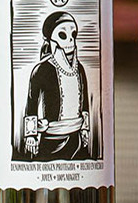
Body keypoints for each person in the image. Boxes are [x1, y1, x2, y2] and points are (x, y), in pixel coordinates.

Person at [21, 11, 91, 161]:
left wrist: (85, 128)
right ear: (51, 40)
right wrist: (31, 134)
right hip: (52, 139)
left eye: (73, 34)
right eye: (63, 35)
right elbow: (32, 102)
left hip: (76, 137)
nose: (70, 40)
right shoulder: (41, 69)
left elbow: (84, 101)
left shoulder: (79, 69)